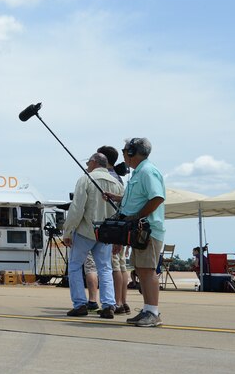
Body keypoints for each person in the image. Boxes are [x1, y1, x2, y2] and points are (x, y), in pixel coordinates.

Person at [104, 137, 166, 327]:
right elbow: (139, 197)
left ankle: (153, 312)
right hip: (138, 231)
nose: (123, 154)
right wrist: (118, 198)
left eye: (124, 150)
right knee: (141, 270)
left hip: (147, 230)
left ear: (131, 152)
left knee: (148, 271)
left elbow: (157, 198)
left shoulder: (147, 172)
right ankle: (147, 309)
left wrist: (137, 217)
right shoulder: (139, 173)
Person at [63, 153, 124, 318]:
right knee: (105, 268)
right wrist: (119, 239)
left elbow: (76, 209)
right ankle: (108, 305)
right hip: (107, 234)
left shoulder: (86, 179)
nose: (87, 165)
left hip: (85, 231)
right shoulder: (117, 184)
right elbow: (122, 212)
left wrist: (68, 231)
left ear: (94, 162)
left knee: (75, 266)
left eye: (88, 162)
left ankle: (80, 304)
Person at [112, 245, 131, 314]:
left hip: (114, 240)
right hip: (123, 240)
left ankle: (118, 303)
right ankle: (124, 302)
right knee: (123, 266)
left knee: (115, 267)